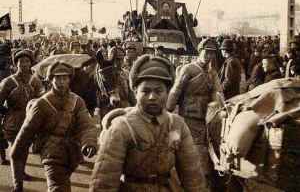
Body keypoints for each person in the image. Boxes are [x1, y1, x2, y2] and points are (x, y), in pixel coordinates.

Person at [90, 54, 202, 191]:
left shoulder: (176, 125)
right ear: (136, 92)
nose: (152, 97)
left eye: (159, 91)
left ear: (167, 92)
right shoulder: (122, 127)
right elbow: (104, 181)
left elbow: (192, 173)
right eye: (145, 91)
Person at [10, 61, 97, 192]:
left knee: (61, 184)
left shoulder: (77, 101)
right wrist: (18, 182)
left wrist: (89, 142)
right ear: (51, 80)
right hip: (51, 153)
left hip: (72, 152)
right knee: (59, 187)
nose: (61, 82)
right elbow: (25, 135)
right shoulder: (42, 104)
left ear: (69, 79)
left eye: (65, 78)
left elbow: (86, 124)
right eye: (57, 78)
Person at [166, 38, 223, 191]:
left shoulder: (212, 73)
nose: (209, 55)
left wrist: (219, 105)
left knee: (208, 150)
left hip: (207, 119)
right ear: (200, 51)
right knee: (190, 149)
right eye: (207, 52)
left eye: (212, 53)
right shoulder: (189, 69)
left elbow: (217, 92)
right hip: (189, 117)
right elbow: (176, 91)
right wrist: (167, 111)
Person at [0, 49, 44, 178]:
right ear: (16, 64)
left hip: (30, 120)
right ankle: (17, 181)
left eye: (27, 61)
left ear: (31, 63)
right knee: (16, 150)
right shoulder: (8, 82)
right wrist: (7, 112)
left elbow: (41, 99)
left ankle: (21, 172)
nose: (24, 64)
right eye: (20, 61)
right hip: (13, 121)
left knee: (24, 149)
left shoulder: (35, 81)